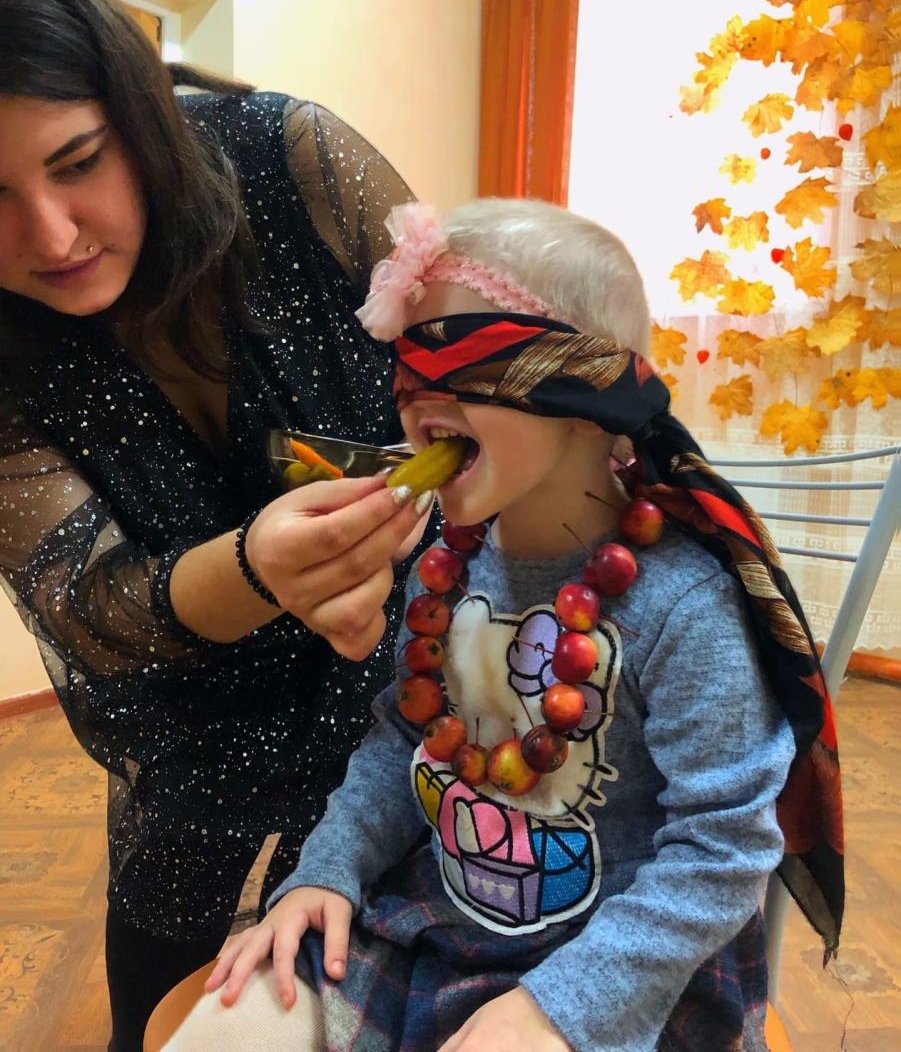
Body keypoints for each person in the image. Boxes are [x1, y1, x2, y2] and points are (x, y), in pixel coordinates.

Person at [173, 199, 844, 1052]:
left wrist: (554, 1008)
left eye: (461, 360)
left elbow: (720, 851)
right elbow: (403, 744)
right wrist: (327, 870)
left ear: (585, 391)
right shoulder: (445, 565)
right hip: (435, 923)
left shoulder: (683, 605)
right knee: (225, 1028)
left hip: (626, 966)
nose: (419, 396)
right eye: (407, 367)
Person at [0, 0, 433, 1052]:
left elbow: (477, 368)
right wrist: (259, 571)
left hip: (406, 672)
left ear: (139, 112)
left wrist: (425, 496)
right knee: (157, 987)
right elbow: (84, 602)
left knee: (333, 974)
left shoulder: (293, 158)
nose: (52, 235)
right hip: (187, 714)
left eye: (79, 162)